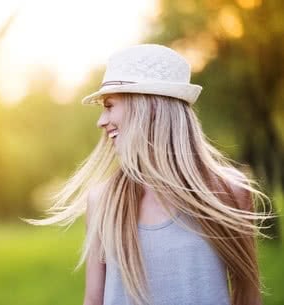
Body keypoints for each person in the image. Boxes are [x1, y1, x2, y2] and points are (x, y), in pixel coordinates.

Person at [21, 44, 273, 305]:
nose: (101, 121)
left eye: (109, 106)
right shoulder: (103, 201)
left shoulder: (230, 193)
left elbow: (248, 296)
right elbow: (93, 300)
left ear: (149, 108)